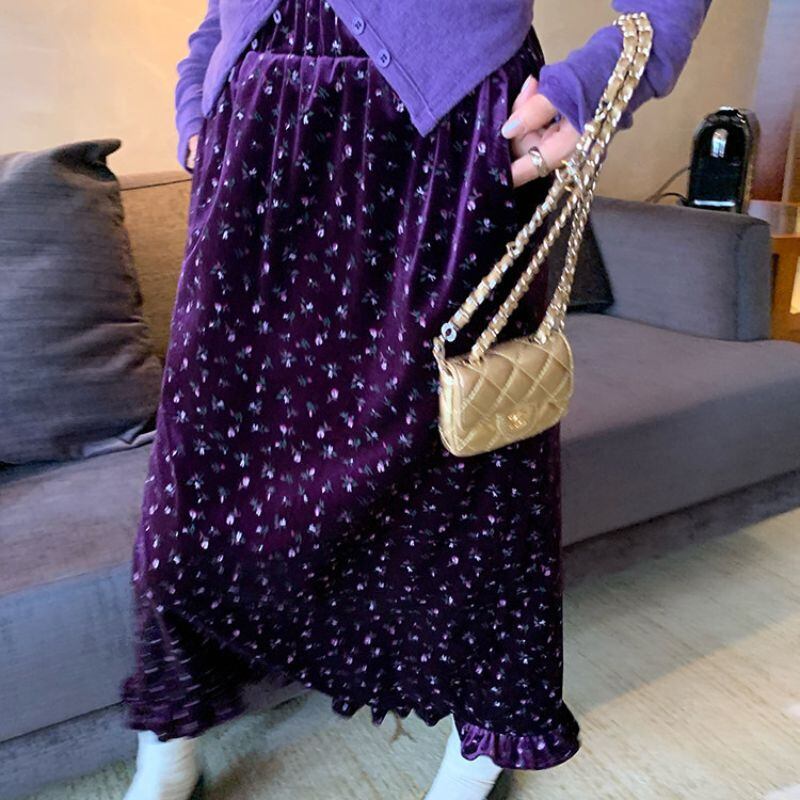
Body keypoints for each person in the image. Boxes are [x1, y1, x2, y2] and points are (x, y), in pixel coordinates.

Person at [122, 1, 711, 798]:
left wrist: (599, 80)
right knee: (201, 471)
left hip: (448, 139)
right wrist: (199, 93)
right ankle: (170, 729)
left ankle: (487, 733)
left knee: (472, 460)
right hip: (254, 145)